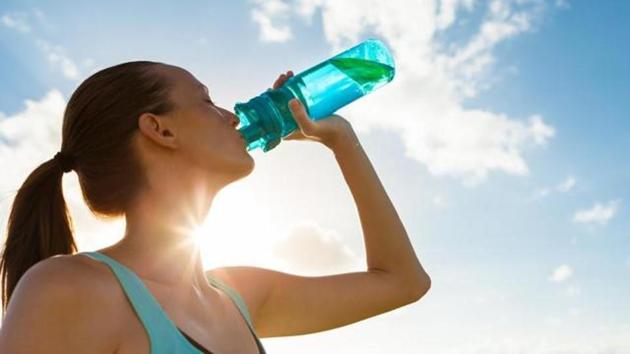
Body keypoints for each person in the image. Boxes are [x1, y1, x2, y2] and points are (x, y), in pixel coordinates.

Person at [0, 61, 431, 353]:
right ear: (159, 129)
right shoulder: (69, 288)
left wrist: (340, 140)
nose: (231, 115)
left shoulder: (238, 295)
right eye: (206, 100)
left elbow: (404, 282)